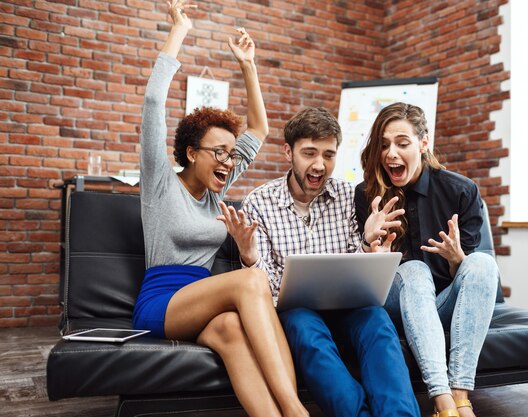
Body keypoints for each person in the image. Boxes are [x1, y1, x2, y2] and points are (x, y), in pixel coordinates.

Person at [131, 2, 308, 416]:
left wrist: (248, 65)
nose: (229, 162)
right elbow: (154, 104)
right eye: (219, 152)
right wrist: (179, 29)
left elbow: (260, 129)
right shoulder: (159, 183)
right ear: (191, 153)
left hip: (203, 300)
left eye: (232, 154)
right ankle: (297, 411)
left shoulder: (218, 188)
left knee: (230, 329)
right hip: (163, 301)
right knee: (250, 282)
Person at [223, 107, 420, 417]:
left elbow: (360, 270)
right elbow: (261, 290)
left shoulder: (347, 194)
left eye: (328, 155)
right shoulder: (259, 203)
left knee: (378, 322)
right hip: (298, 312)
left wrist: (368, 243)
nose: (319, 165)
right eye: (310, 153)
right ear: (288, 151)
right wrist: (249, 256)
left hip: (350, 307)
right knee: (304, 328)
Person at [355, 102, 499, 417]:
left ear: (423, 143)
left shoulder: (461, 191)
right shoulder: (367, 194)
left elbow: (473, 283)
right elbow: (363, 285)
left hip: (444, 307)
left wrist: (456, 260)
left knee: (484, 264)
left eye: (401, 144)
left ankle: (459, 395)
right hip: (395, 305)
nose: (391, 153)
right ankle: (441, 399)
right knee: (416, 270)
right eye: (383, 145)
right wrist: (371, 248)